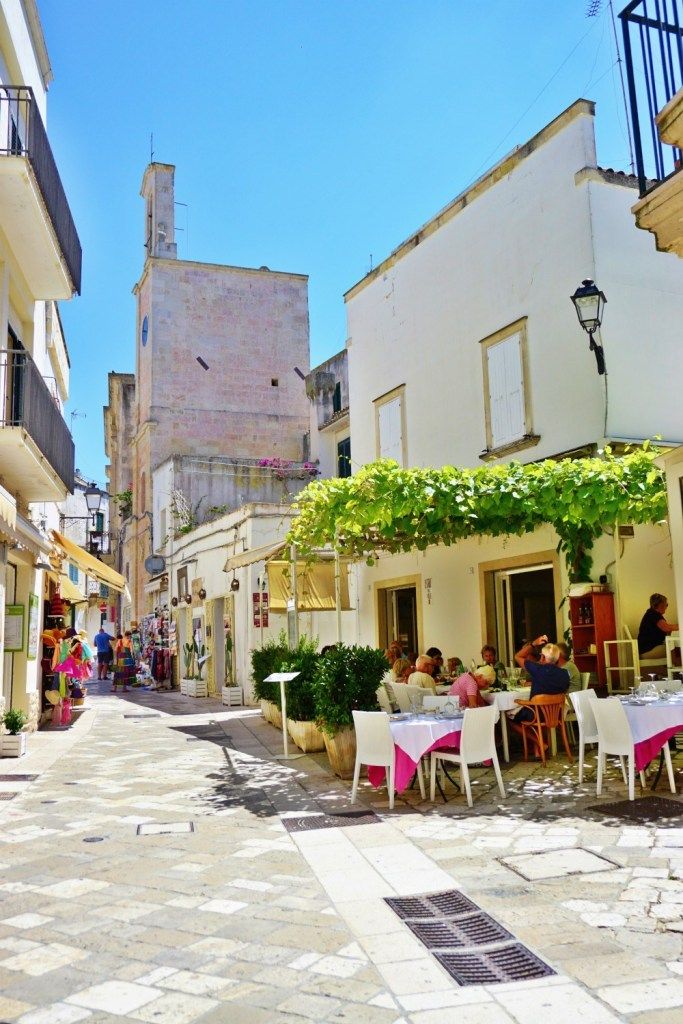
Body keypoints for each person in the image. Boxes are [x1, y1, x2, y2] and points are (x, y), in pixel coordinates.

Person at [637, 594, 678, 662]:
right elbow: (666, 628)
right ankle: (676, 671)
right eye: (666, 604)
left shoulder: (652, 613)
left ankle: (674, 670)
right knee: (676, 649)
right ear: (661, 605)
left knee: (674, 647)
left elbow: (666, 629)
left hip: (647, 649)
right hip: (648, 651)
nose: (666, 607)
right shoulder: (653, 614)